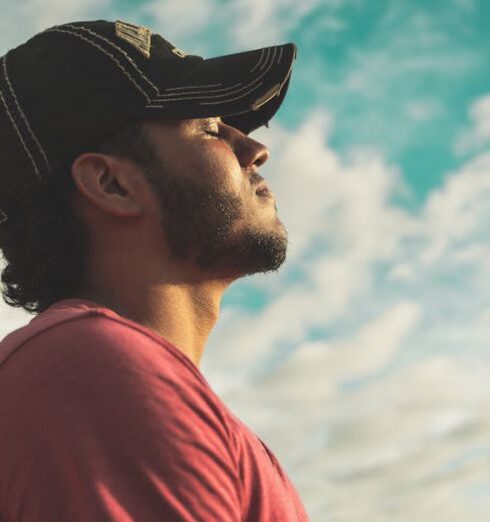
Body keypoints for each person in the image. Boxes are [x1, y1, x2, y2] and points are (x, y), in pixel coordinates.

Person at [0, 19, 308, 521]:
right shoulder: (90, 370)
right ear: (111, 184)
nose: (255, 150)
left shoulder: (112, 377)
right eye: (209, 129)